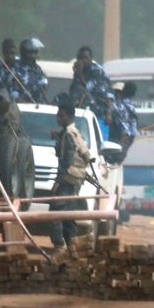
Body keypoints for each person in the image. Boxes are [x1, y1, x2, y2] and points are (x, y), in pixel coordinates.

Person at [49, 103, 91, 257]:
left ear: (70, 116)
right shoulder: (72, 132)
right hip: (77, 178)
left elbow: (65, 161)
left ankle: (59, 246)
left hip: (68, 178)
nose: (58, 118)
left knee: (55, 211)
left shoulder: (68, 134)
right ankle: (73, 247)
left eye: (61, 115)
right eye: (58, 115)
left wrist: (57, 183)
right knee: (69, 213)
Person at [12, 38, 47, 103]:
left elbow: (42, 88)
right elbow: (13, 93)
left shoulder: (37, 69)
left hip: (37, 107)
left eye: (35, 53)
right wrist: (26, 103)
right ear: (24, 52)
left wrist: (48, 102)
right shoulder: (15, 68)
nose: (34, 56)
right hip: (19, 107)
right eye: (31, 53)